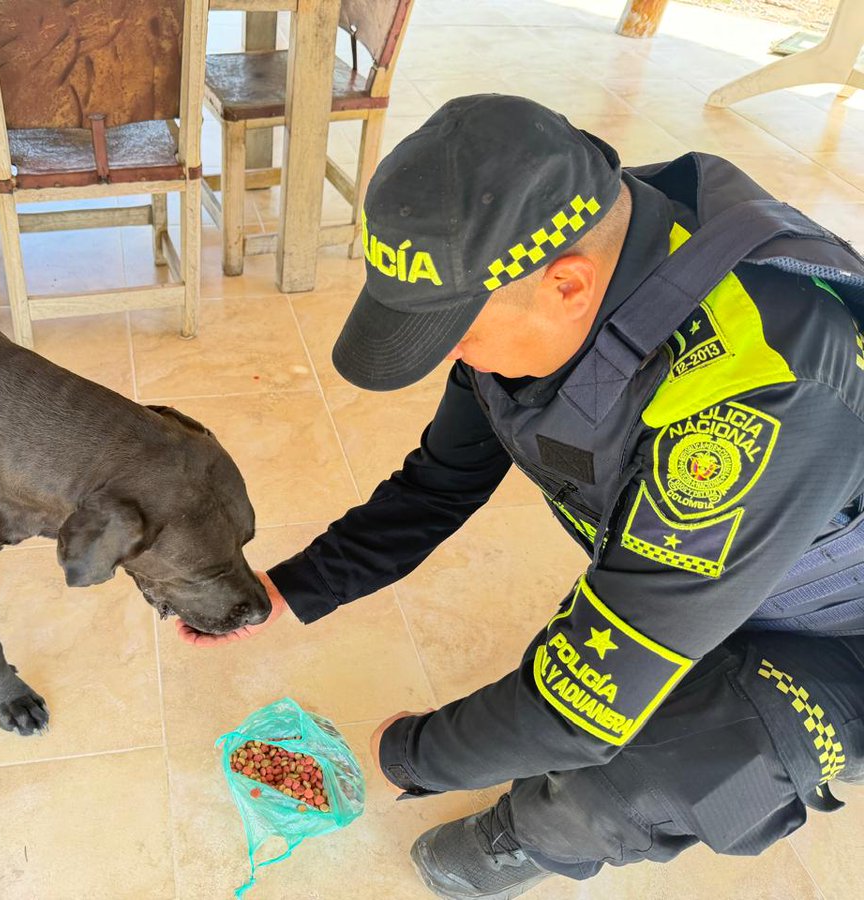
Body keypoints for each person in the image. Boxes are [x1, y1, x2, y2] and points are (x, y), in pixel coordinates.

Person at [179, 94, 864, 899]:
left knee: (671, 753)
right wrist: (288, 588)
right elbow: (443, 480)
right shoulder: (558, 250)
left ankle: (530, 838)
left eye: (456, 333)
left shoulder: (750, 397)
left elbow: (579, 707)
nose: (449, 360)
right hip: (750, 561)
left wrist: (404, 752)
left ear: (567, 288)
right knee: (640, 651)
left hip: (841, 628)